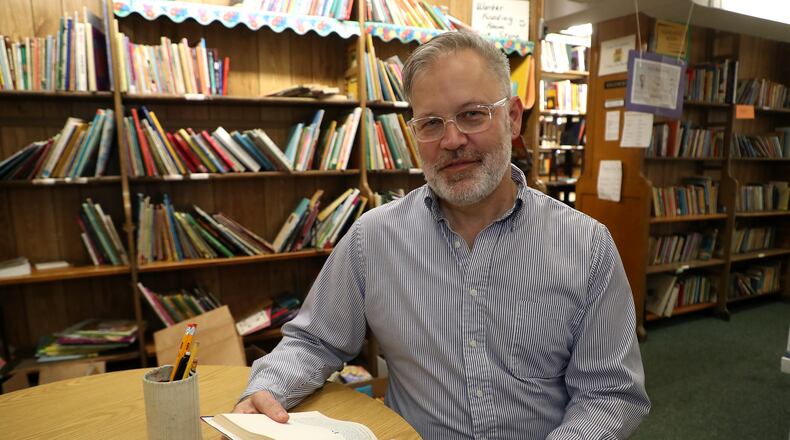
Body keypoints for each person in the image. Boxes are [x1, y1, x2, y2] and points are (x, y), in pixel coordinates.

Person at [234, 31, 650, 439]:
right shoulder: (372, 240)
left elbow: (609, 393)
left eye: (473, 114)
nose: (452, 141)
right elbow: (314, 340)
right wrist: (268, 389)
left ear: (513, 117)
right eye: (431, 123)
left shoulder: (587, 246)